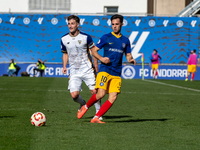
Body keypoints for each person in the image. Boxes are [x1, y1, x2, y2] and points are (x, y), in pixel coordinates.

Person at [77, 14, 136, 123]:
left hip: (117, 72)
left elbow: (128, 55)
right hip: (105, 70)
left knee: (113, 97)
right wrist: (101, 59)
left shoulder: (126, 41)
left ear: (122, 24)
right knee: (101, 94)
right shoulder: (106, 37)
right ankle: (85, 107)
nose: (114, 26)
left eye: (117, 24)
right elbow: (93, 50)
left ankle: (96, 117)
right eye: (113, 24)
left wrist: (130, 60)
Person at [61, 15, 102, 118]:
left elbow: (93, 51)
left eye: (72, 23)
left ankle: (98, 114)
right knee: (74, 95)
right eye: (69, 24)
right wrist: (64, 66)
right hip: (74, 71)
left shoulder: (86, 37)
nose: (70, 26)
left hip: (88, 69)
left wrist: (96, 65)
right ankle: (82, 103)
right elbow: (65, 53)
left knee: (95, 91)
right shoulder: (64, 39)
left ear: (78, 24)